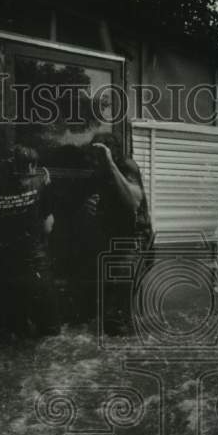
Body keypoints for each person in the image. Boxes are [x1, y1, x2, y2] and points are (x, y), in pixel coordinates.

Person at [0, 144, 60, 338]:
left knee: (17, 333)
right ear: (31, 167)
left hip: (7, 267)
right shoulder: (41, 184)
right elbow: (48, 227)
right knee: (49, 332)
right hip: (36, 264)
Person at [86, 132, 153, 335]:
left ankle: (129, 352)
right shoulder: (99, 173)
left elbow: (134, 201)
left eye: (100, 154)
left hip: (134, 242)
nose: (94, 160)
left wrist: (110, 163)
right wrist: (91, 206)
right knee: (112, 311)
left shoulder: (126, 166)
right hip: (114, 240)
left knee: (120, 312)